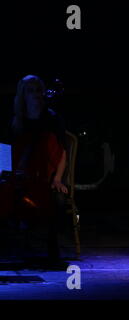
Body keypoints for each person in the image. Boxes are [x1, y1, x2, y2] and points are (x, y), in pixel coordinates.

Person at [9, 74, 68, 263]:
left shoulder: (51, 118)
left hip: (48, 175)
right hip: (23, 175)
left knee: (57, 198)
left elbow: (63, 151)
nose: (35, 95)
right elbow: (8, 150)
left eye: (38, 90)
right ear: (23, 95)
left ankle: (52, 244)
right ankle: (16, 241)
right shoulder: (17, 120)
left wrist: (58, 178)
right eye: (30, 91)